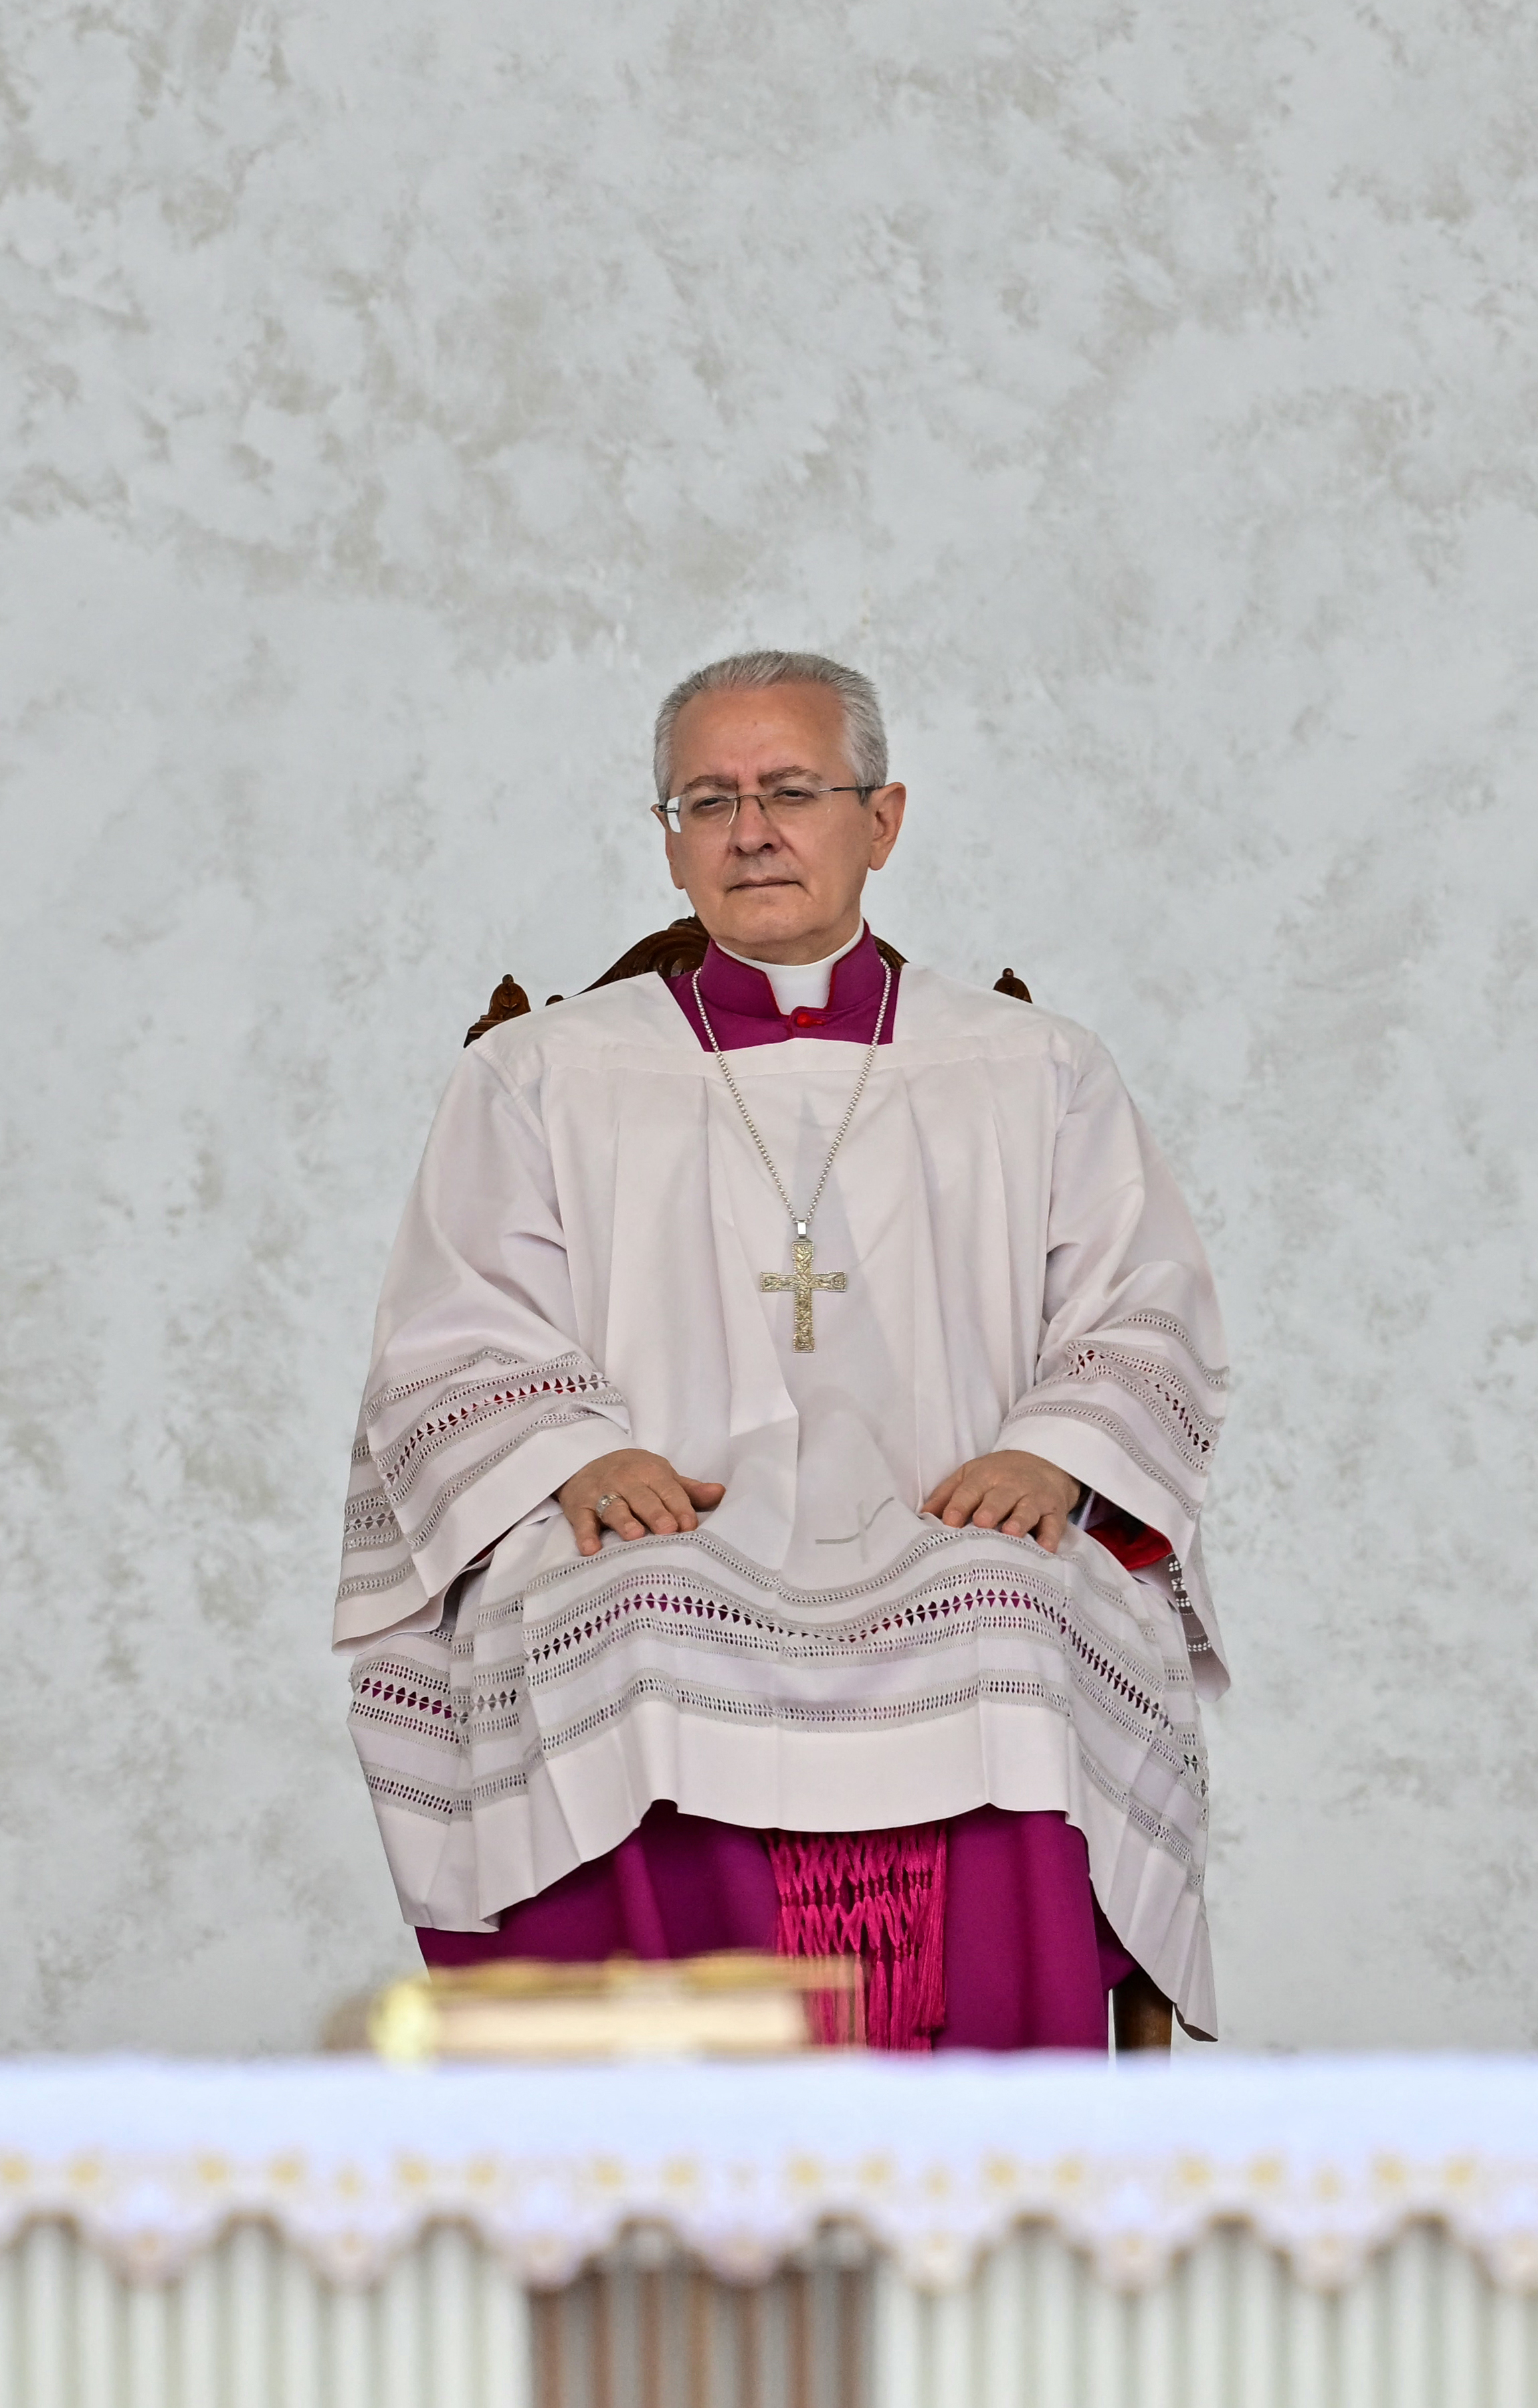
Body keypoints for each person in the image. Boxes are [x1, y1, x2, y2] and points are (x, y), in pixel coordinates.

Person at [338, 650, 1227, 2045]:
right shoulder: (539, 1073)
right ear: (670, 841)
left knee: (1012, 1611)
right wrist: (575, 1453)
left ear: (881, 820)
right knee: (623, 1619)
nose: (750, 829)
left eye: (790, 790)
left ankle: (987, 2130)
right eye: (707, 800)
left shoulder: (1030, 1065)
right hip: (657, 1507)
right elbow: (453, 1322)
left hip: (954, 1504)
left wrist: (1055, 1457)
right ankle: (679, 2143)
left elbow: (1142, 1303)